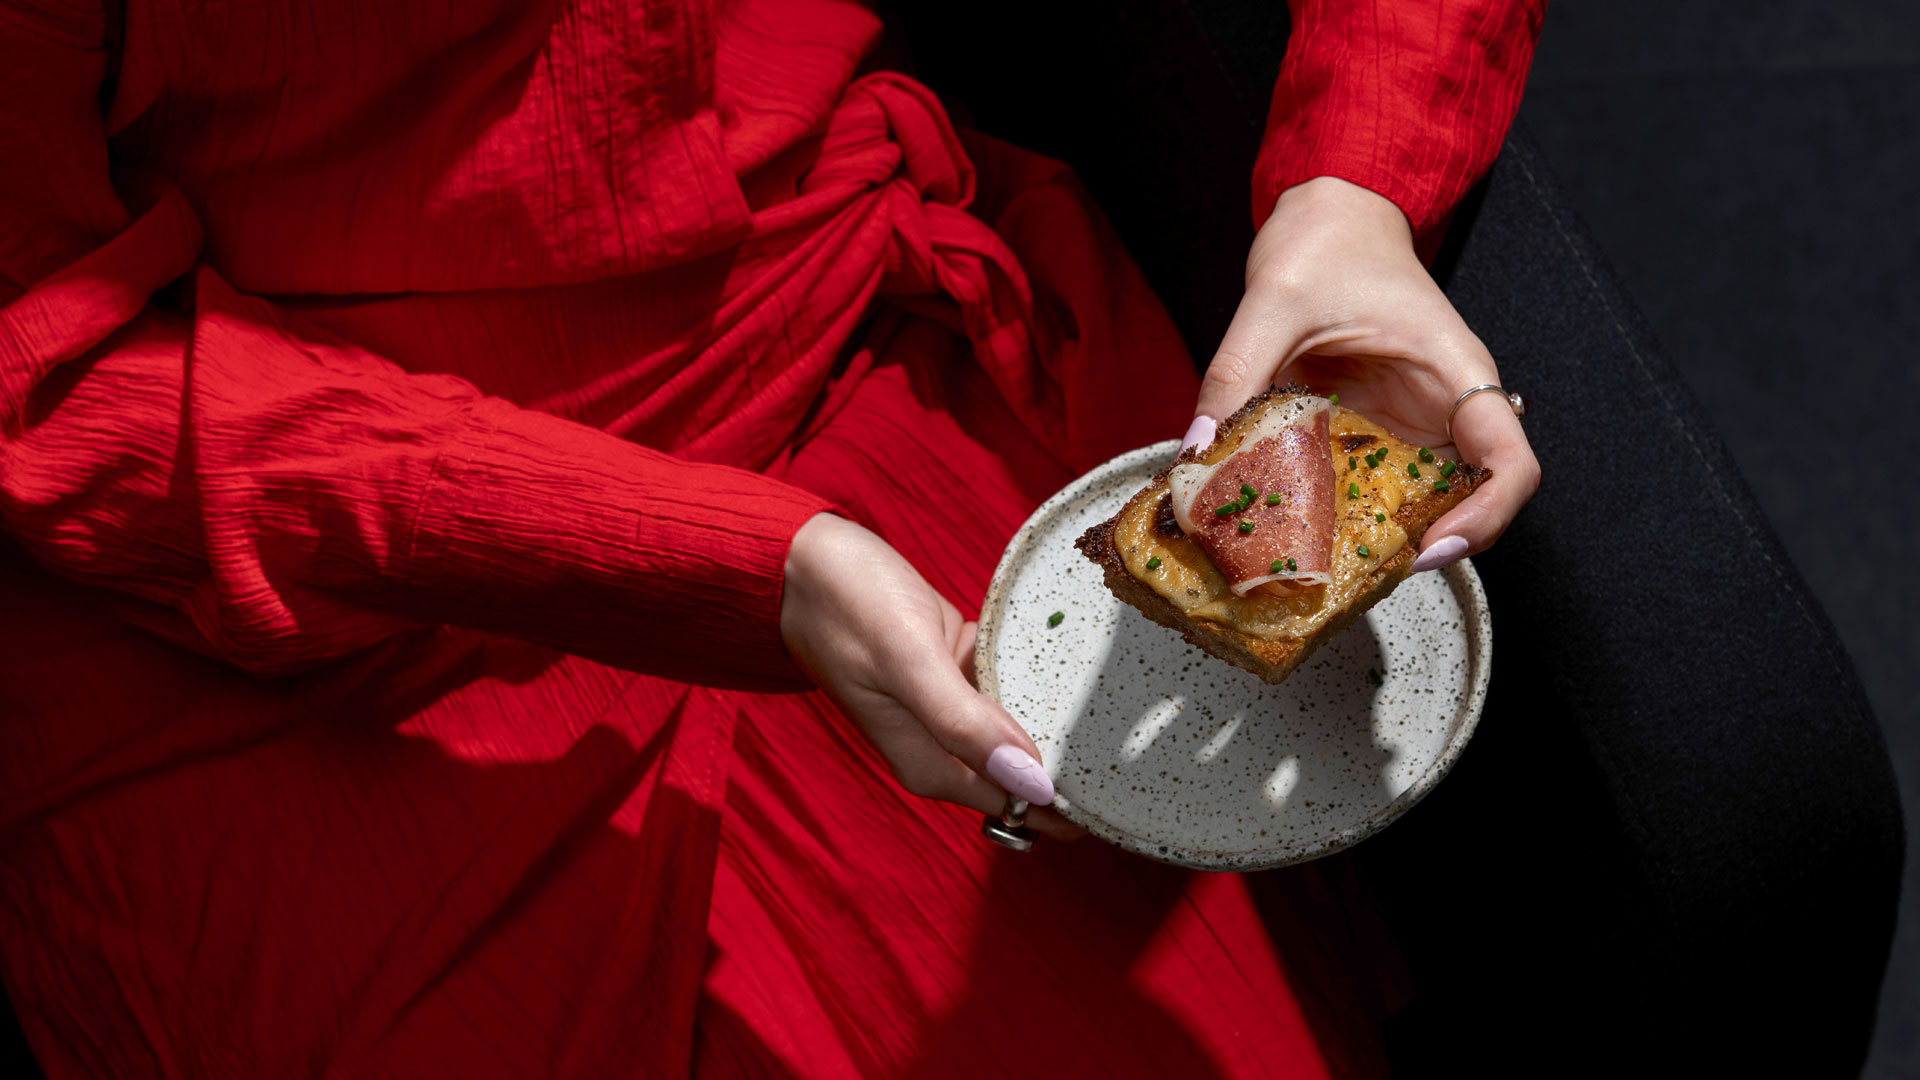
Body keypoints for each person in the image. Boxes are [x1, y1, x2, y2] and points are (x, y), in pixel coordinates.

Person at [0, 1, 1900, 1077]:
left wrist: (1356, 186)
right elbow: (40, 374)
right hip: (276, 558)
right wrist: (715, 562)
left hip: (820, 317)